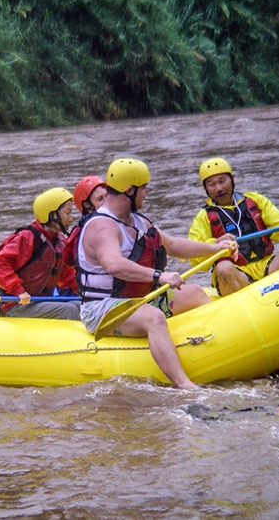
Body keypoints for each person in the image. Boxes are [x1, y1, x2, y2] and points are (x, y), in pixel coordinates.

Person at [77, 158, 238, 389]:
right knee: (154, 318)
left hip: (139, 298)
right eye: (143, 188)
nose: (146, 193)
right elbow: (113, 264)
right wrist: (158, 276)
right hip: (104, 308)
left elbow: (172, 245)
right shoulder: (102, 227)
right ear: (130, 190)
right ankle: (185, 385)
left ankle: (217, 353)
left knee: (194, 293)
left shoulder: (138, 221)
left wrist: (215, 247)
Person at [188, 157, 279, 297]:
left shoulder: (255, 200)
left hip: (267, 266)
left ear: (232, 179)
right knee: (223, 268)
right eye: (211, 184)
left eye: (222, 181)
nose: (219, 188)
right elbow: (195, 257)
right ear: (205, 189)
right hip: (237, 274)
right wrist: (216, 244)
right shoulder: (204, 216)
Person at [0, 187, 80, 320]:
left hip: (40, 302)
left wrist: (88, 294)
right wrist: (18, 291)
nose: (71, 218)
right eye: (67, 213)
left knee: (79, 304)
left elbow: (68, 276)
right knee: (69, 310)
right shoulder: (28, 237)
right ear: (52, 214)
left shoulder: (59, 241)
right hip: (17, 304)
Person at [62, 175, 107, 272]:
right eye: (100, 199)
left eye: (107, 196)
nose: (106, 201)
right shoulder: (86, 231)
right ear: (87, 205)